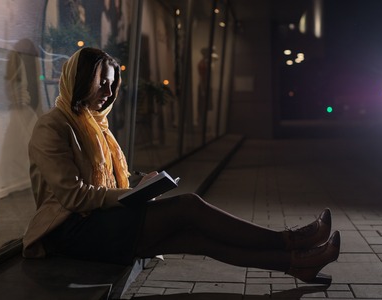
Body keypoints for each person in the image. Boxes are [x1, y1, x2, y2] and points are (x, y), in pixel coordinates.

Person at [23, 47, 340, 285]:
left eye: (111, 85)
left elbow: (106, 178)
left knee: (197, 239)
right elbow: (74, 197)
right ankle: (291, 241)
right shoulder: (53, 126)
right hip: (70, 230)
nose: (107, 94)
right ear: (79, 82)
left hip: (100, 220)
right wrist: (126, 195)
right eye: (101, 84)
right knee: (188, 207)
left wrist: (139, 184)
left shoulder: (95, 125)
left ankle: (296, 263)